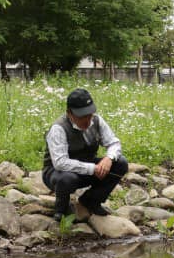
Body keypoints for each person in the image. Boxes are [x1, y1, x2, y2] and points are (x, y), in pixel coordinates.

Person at [42, 88, 129, 220]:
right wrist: (93, 169)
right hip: (56, 173)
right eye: (81, 116)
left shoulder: (97, 121)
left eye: (89, 115)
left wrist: (108, 158)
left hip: (87, 168)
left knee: (121, 163)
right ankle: (61, 208)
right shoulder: (58, 128)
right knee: (67, 179)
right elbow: (60, 163)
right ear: (69, 113)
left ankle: (90, 201)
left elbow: (114, 143)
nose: (87, 120)